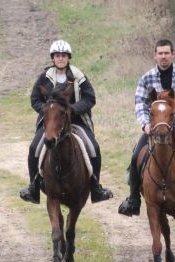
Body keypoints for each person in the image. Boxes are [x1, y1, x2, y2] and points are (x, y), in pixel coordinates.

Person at [118, 39, 175, 217]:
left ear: (173, 55)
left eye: (167, 53)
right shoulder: (146, 78)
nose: (163, 56)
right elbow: (139, 103)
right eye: (160, 53)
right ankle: (134, 199)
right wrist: (145, 124)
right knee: (136, 157)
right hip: (155, 132)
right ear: (155, 55)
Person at [20, 40, 113, 204]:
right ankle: (33, 187)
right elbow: (35, 99)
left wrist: (72, 110)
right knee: (35, 147)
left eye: (63, 56)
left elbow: (90, 98)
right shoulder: (44, 77)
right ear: (53, 58)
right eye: (57, 56)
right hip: (52, 122)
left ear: (68, 57)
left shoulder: (79, 76)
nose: (60, 58)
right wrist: (49, 111)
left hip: (76, 121)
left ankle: (96, 188)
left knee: (94, 148)